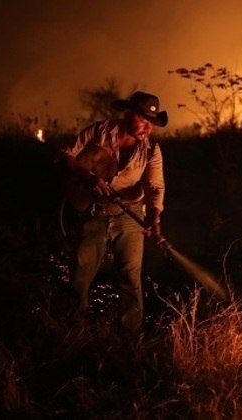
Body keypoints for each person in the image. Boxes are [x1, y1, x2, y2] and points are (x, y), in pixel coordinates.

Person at [57, 91, 167, 332]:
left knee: (130, 276)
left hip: (129, 214)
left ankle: (128, 336)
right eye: (142, 120)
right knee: (81, 272)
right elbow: (66, 155)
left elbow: (155, 186)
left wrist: (154, 217)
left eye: (151, 123)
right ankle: (73, 329)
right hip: (93, 211)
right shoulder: (99, 131)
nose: (147, 127)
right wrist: (89, 177)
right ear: (127, 113)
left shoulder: (151, 150)